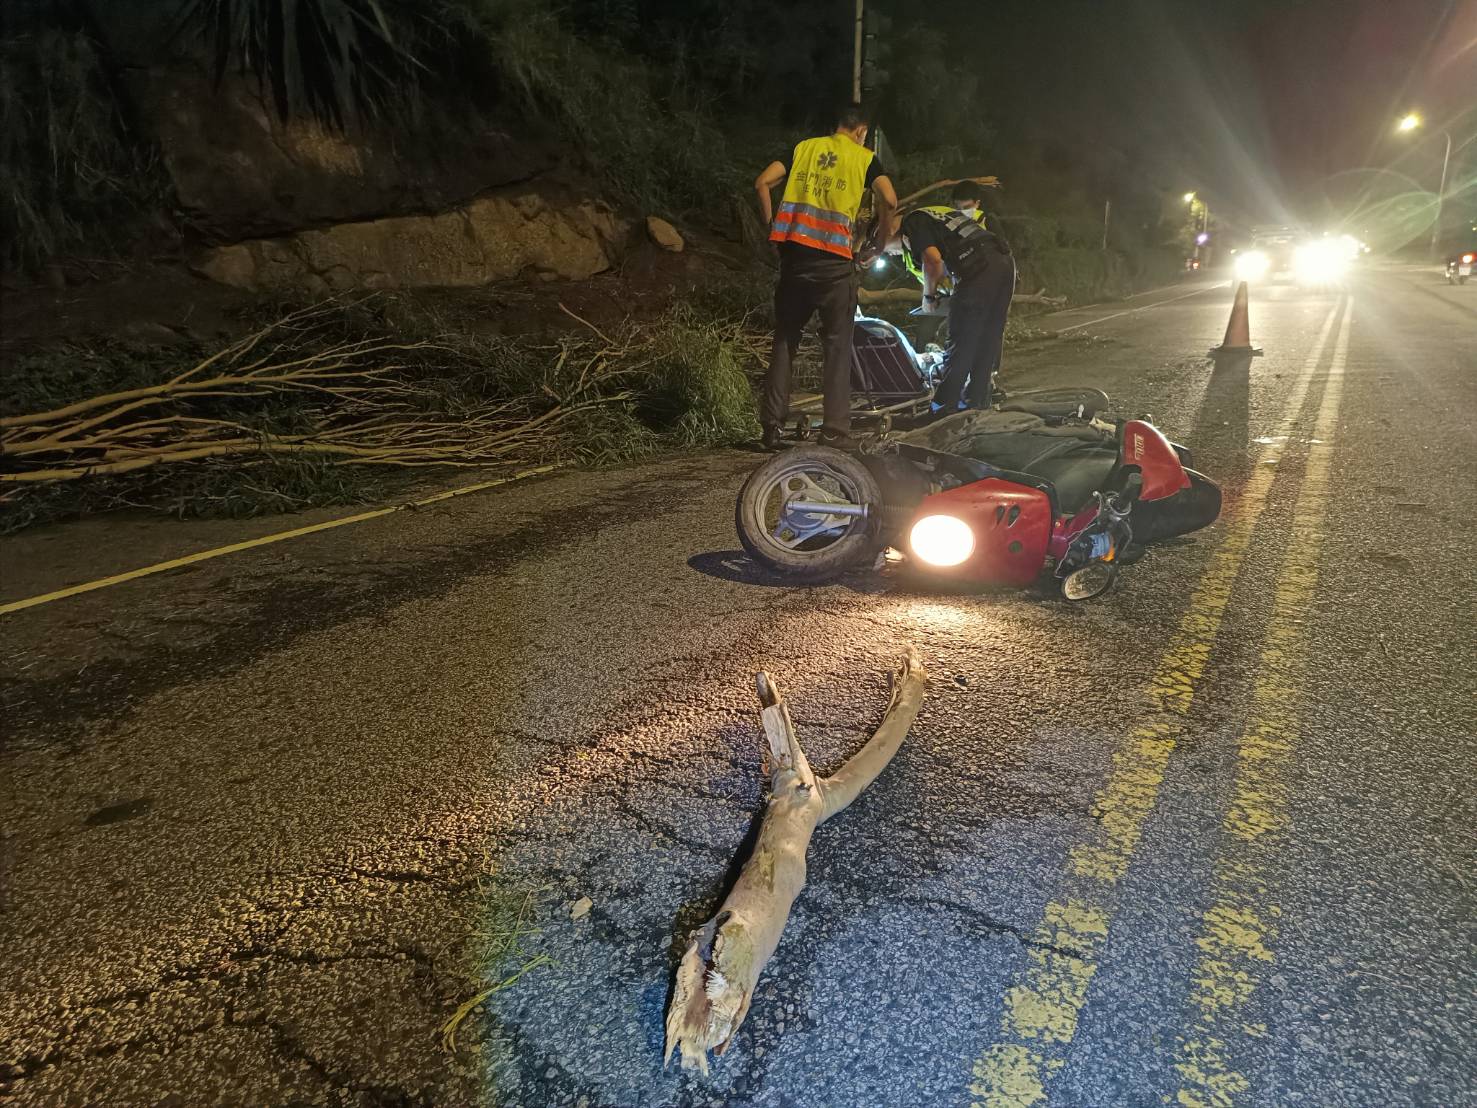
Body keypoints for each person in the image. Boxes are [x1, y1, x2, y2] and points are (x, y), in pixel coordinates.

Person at [753, 104, 897, 450]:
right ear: (862, 132)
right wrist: (879, 242)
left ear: (837, 125)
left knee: (786, 340)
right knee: (836, 346)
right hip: (834, 264)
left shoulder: (804, 148)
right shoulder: (864, 159)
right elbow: (889, 200)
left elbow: (761, 183)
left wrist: (771, 225)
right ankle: (833, 431)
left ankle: (771, 427)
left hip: (794, 260)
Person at [890, 181, 1015, 414]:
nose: (893, 253)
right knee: (987, 339)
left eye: (888, 249)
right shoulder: (938, 215)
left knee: (961, 343)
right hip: (1004, 266)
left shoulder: (913, 221)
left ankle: (942, 408)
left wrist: (928, 297)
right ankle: (976, 404)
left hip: (979, 269)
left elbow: (933, 260)